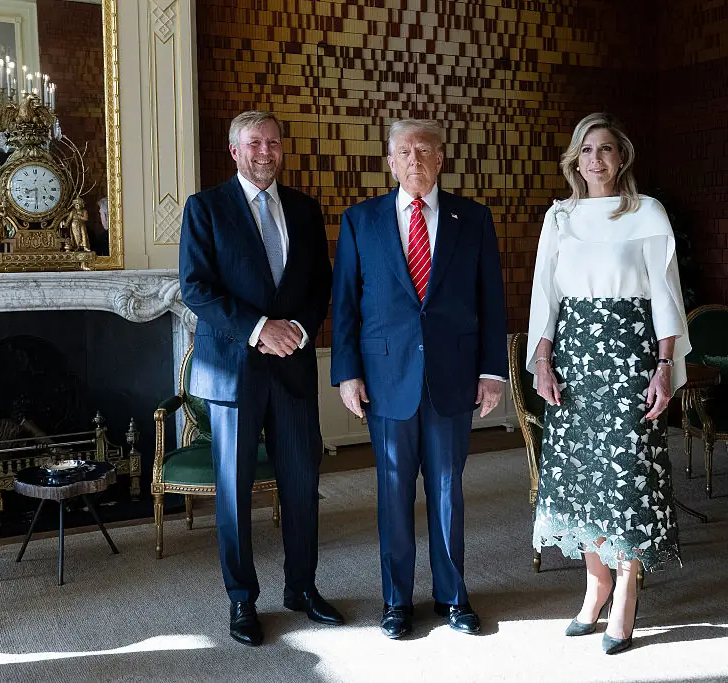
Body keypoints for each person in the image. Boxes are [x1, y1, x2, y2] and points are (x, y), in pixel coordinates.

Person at [331, 119, 507, 639]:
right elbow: (345, 304)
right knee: (392, 493)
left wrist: (492, 372)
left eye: (425, 150)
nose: (415, 160)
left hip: (454, 376)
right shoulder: (360, 220)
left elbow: (491, 301)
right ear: (390, 162)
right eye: (405, 152)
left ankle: (453, 596)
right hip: (385, 378)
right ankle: (396, 602)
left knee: (448, 490)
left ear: (441, 158)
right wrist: (347, 374)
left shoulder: (472, 218)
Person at [527, 112, 691, 655]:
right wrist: (543, 360)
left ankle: (626, 587)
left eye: (605, 149)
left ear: (621, 158)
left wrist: (664, 365)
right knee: (580, 474)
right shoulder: (560, 217)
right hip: (574, 356)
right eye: (586, 150)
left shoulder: (646, 212)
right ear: (575, 161)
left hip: (629, 354)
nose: (595, 159)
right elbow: (546, 296)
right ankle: (595, 583)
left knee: (627, 472)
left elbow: (664, 294)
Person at [179, 110, 340, 647]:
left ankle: (302, 588)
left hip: (292, 367)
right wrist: (258, 329)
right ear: (235, 151)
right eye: (254, 143)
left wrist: (297, 328)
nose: (265, 151)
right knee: (234, 492)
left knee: (302, 484)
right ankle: (241, 599)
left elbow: (320, 284)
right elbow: (196, 288)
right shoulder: (205, 208)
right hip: (233, 371)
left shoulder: (305, 208)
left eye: (272, 142)